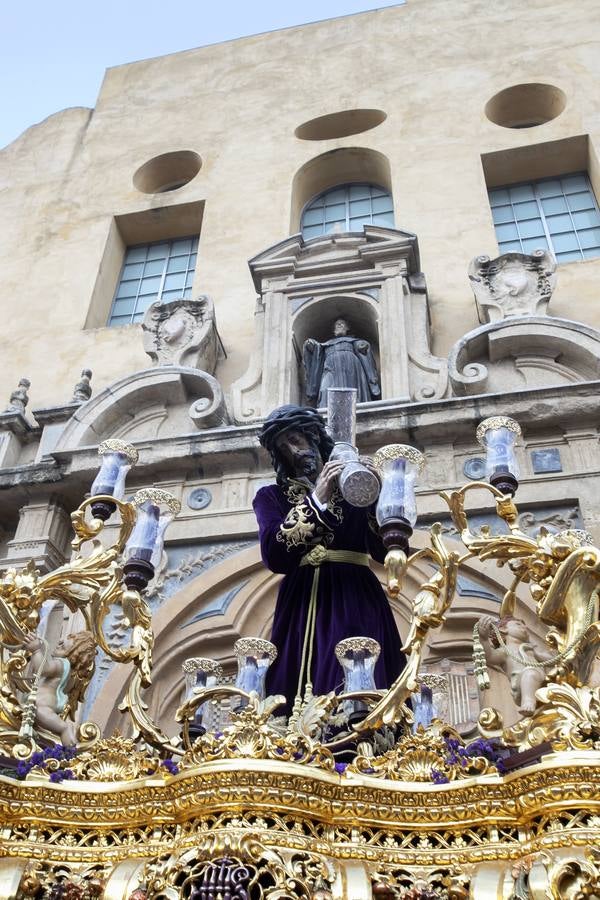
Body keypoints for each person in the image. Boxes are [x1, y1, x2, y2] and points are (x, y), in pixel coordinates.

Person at [253, 404, 405, 716]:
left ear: (314, 436)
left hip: (355, 595)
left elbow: (381, 549)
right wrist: (317, 500)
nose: (294, 451)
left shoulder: (355, 483)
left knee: (361, 671)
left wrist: (378, 499)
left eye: (296, 439)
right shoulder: (271, 496)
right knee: (295, 680)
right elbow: (274, 554)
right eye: (284, 446)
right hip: (303, 601)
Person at [24, 631, 96, 745]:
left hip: (41, 706)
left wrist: (36, 650)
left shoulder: (61, 664)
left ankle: (70, 753)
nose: (60, 641)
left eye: (70, 637)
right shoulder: (71, 673)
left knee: (63, 728)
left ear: (76, 651)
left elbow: (43, 669)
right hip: (42, 704)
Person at [303, 318, 381, 407]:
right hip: (330, 368)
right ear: (334, 330)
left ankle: (356, 407)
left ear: (347, 328)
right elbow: (318, 352)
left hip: (351, 367)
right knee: (325, 388)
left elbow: (361, 346)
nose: (339, 325)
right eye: (337, 324)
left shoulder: (353, 341)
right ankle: (326, 408)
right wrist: (311, 344)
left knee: (352, 387)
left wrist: (362, 345)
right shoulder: (327, 344)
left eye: (342, 324)